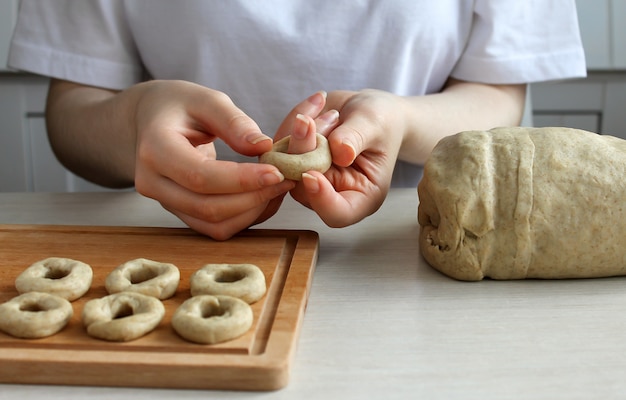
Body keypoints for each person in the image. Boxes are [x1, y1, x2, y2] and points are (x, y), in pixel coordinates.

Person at [8, 1, 586, 240]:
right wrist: (135, 119)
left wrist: (400, 121)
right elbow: (72, 113)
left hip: (407, 250)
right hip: (173, 241)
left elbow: (497, 92)